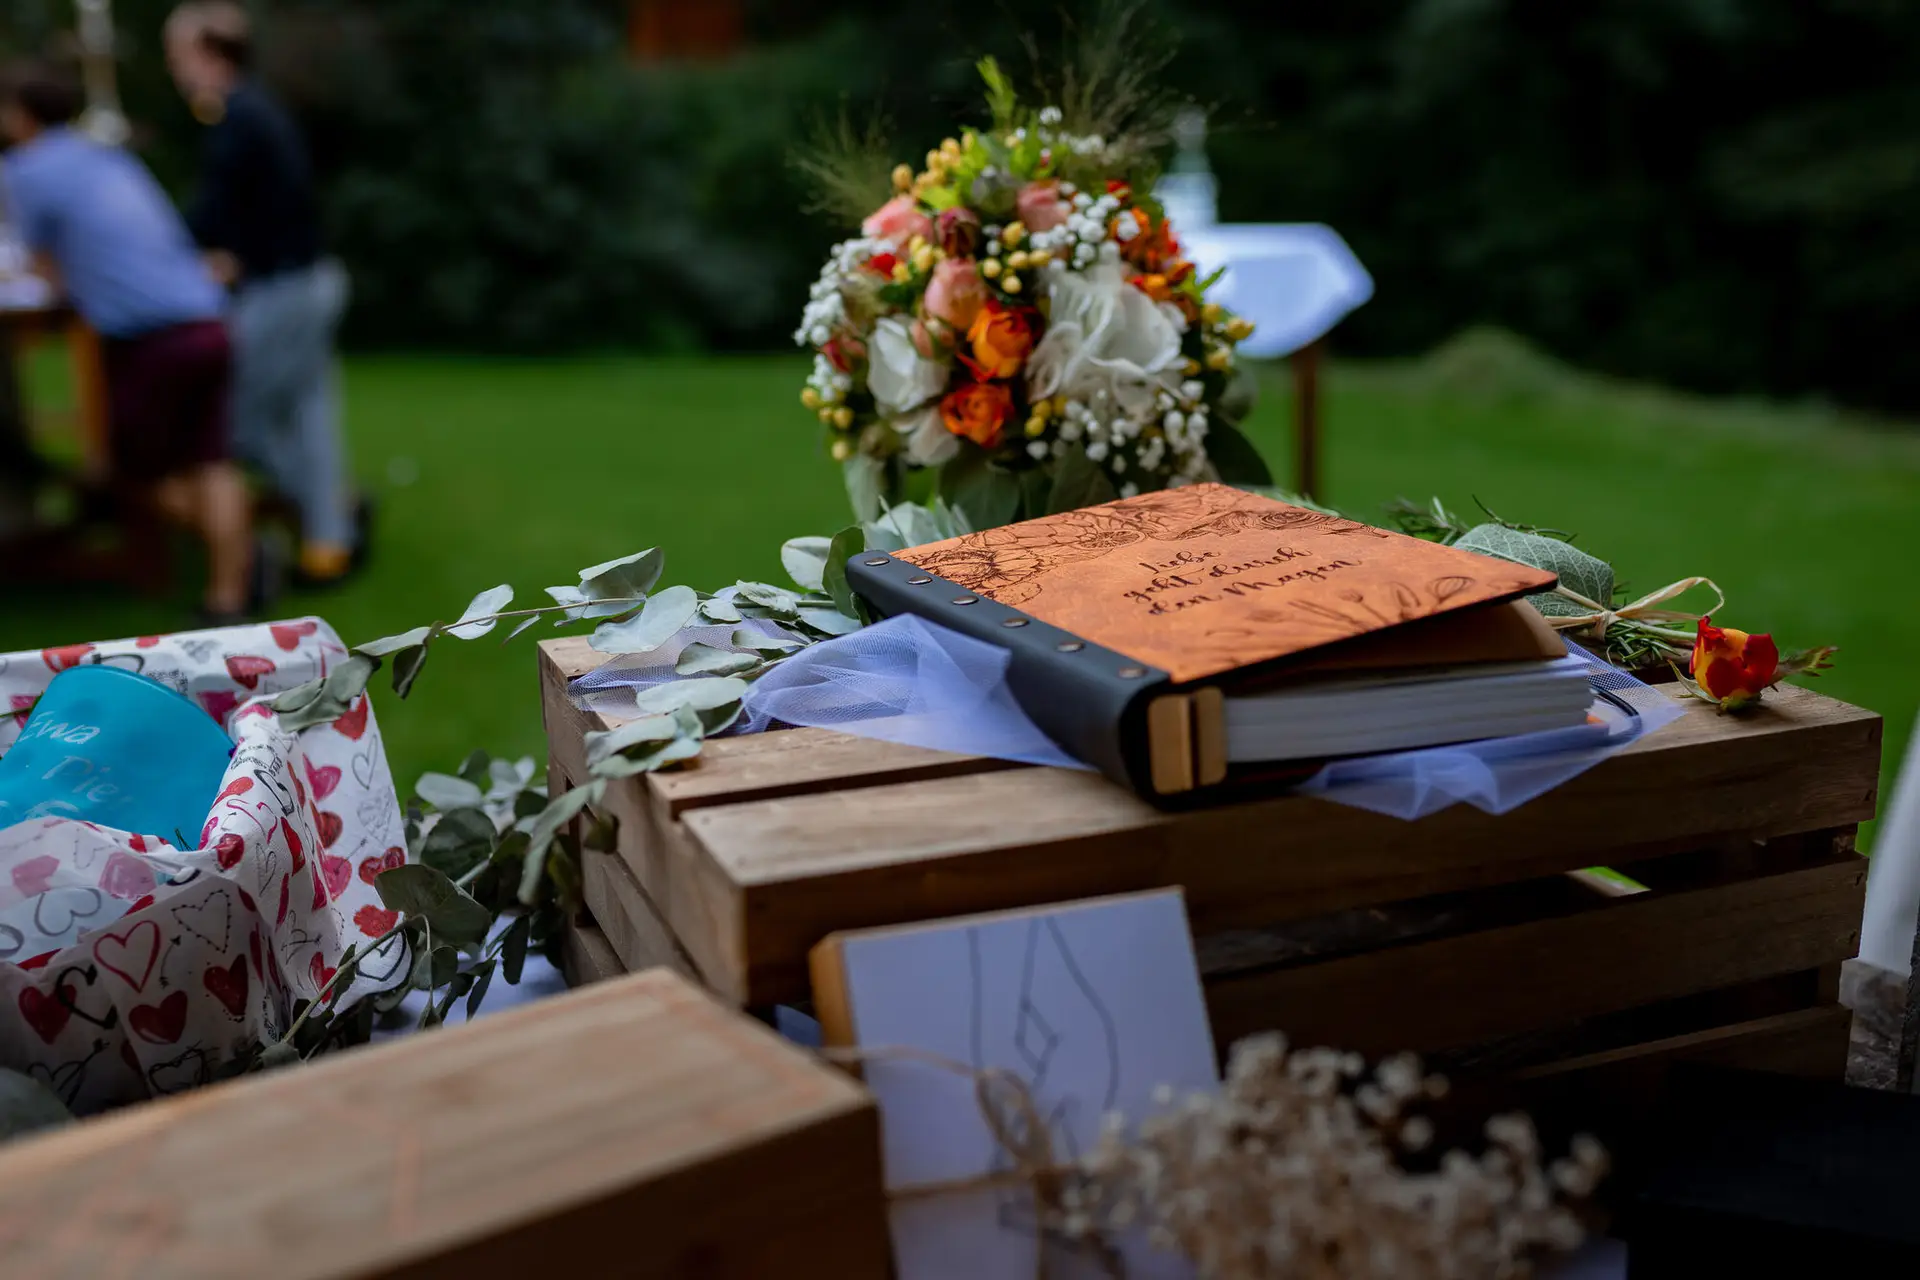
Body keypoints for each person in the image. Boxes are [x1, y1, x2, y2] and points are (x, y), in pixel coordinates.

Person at [0, 60, 254, 624]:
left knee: (123, 473)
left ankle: (225, 552)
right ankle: (228, 593)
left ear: (20, 115)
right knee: (210, 459)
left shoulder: (25, 169)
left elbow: (41, 271)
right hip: (209, 320)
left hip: (150, 338)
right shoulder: (109, 156)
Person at [165, 1, 361, 586]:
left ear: (210, 55)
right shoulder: (254, 112)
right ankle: (330, 543)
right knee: (306, 415)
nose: (176, 71)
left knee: (233, 417)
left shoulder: (239, 118)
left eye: (179, 56)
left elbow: (222, 213)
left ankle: (275, 536)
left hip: (286, 287)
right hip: (307, 279)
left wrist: (217, 254)